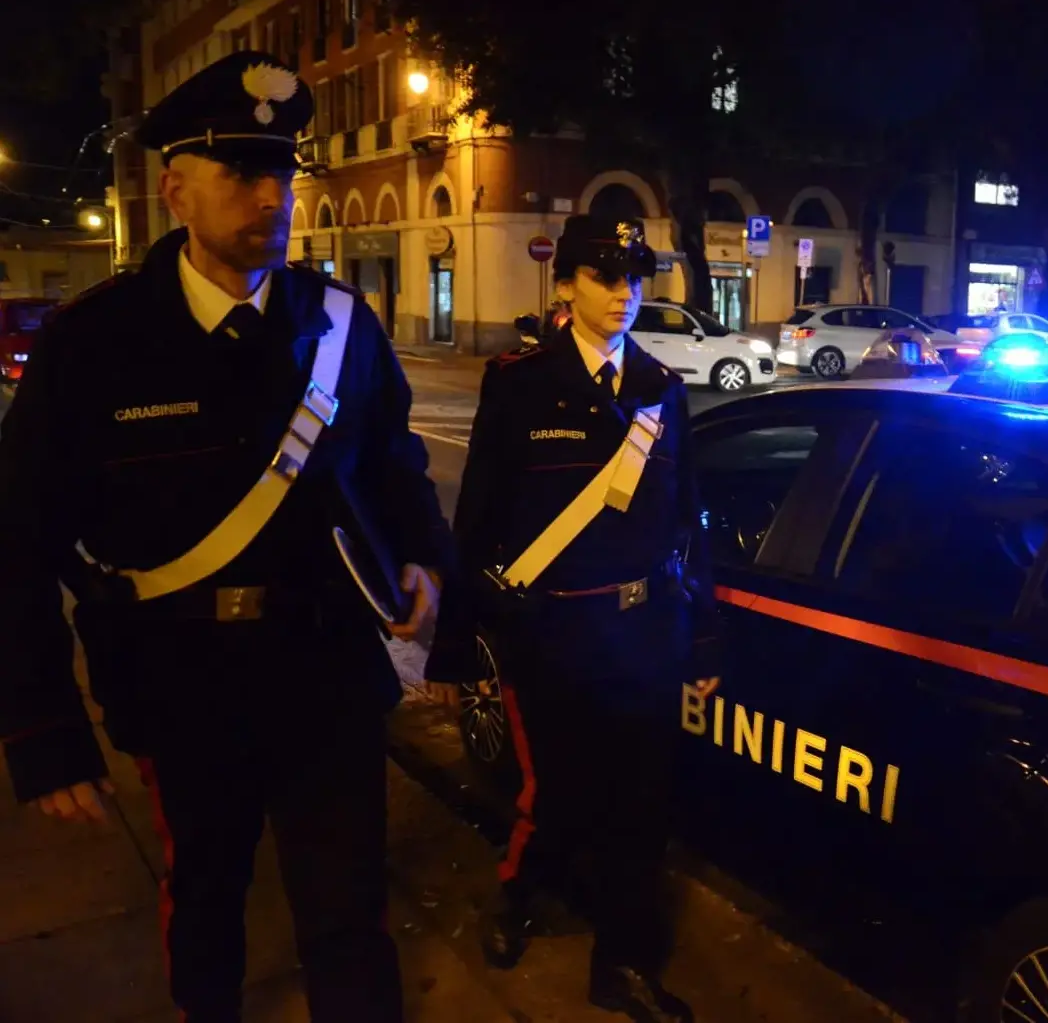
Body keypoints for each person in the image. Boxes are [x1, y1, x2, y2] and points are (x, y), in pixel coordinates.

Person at [0, 51, 452, 1023]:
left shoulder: (339, 324)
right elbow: (17, 546)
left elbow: (389, 458)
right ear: (175, 191)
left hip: (326, 670)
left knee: (348, 916)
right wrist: (43, 735)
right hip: (179, 685)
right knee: (205, 904)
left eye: (282, 172)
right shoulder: (95, 344)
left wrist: (419, 554)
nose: (271, 196)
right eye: (241, 173)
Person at [428, 215, 721, 1023]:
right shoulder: (521, 381)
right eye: (604, 276)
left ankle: (621, 964)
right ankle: (519, 894)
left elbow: (685, 519)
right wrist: (453, 647)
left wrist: (700, 634)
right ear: (566, 286)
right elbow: (478, 519)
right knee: (554, 795)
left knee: (639, 806)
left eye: (633, 275)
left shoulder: (661, 387)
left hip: (645, 638)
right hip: (555, 638)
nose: (624, 293)